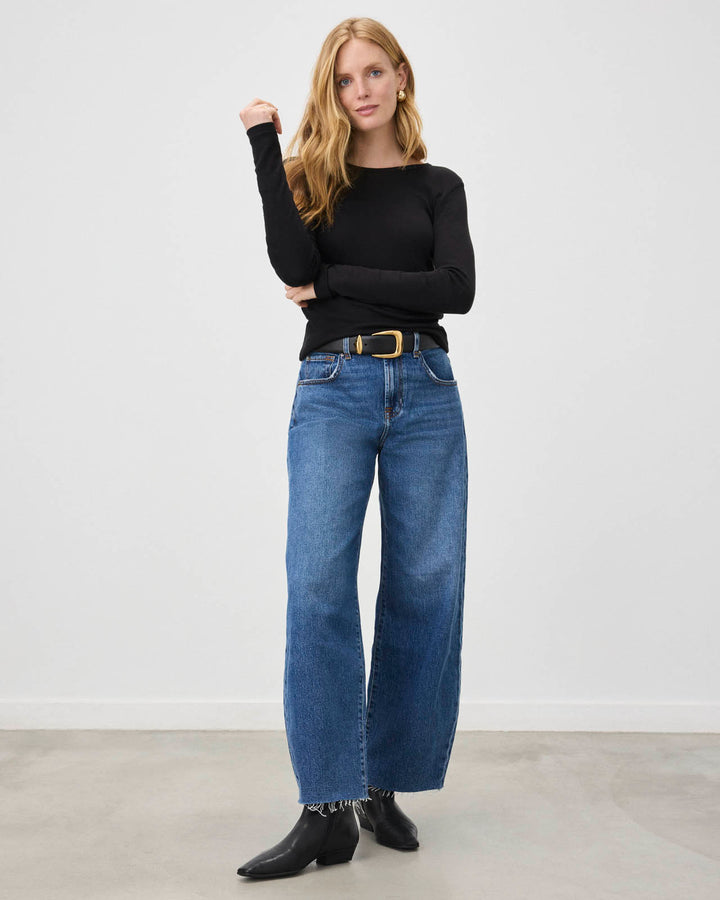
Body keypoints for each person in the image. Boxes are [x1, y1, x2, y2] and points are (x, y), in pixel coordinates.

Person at [236, 16, 475, 880]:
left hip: (427, 391)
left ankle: (381, 784)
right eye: (343, 79)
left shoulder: (437, 186)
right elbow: (288, 265)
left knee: (426, 585)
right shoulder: (313, 179)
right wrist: (265, 147)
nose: (360, 89)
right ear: (330, 92)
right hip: (334, 388)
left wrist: (335, 281)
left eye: (374, 72)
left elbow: (455, 290)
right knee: (317, 586)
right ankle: (325, 808)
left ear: (401, 77)